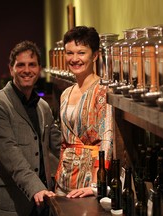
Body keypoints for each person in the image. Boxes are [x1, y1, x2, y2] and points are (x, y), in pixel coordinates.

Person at [0, 40, 61, 216]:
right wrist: (36, 189)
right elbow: (11, 155)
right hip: (10, 205)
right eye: (21, 65)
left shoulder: (43, 106)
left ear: (39, 69)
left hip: (43, 203)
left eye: (32, 65)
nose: (27, 70)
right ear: (11, 69)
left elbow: (59, 146)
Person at [54, 26, 113, 198]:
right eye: (69, 53)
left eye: (81, 53)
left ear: (94, 55)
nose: (74, 59)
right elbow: (64, 142)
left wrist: (96, 185)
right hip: (63, 179)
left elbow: (107, 139)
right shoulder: (66, 93)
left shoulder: (102, 90)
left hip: (88, 183)